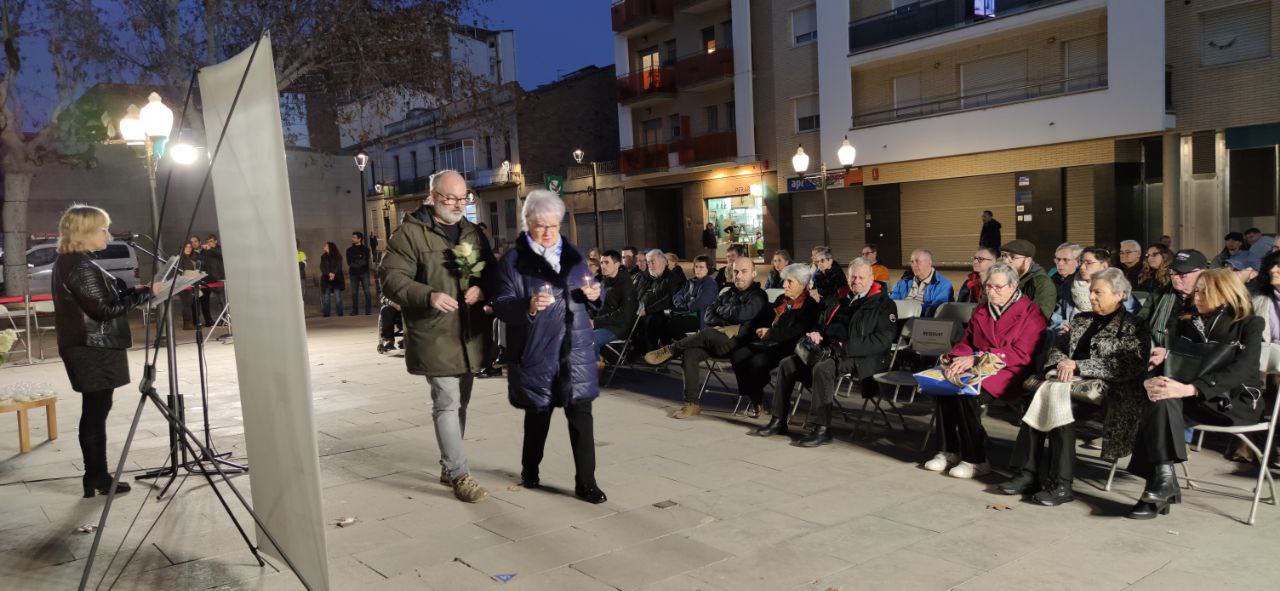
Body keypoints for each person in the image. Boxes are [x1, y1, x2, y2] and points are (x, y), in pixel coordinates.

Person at [381, 169, 498, 503]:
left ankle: (450, 465)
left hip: (469, 334)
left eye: (463, 198)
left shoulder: (472, 233)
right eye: (450, 198)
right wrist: (428, 295)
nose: (458, 204)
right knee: (446, 402)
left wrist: (481, 288)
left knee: (461, 401)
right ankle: (460, 473)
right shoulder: (409, 234)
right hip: (434, 332)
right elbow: (391, 279)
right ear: (432, 196)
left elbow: (492, 271)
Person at [492, 190, 607, 504]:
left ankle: (587, 483)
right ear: (528, 222)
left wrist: (596, 295)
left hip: (577, 351)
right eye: (540, 225)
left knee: (582, 417)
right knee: (538, 416)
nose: (547, 232)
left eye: (553, 226)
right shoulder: (513, 262)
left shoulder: (572, 255)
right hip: (537, 350)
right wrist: (528, 306)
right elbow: (501, 304)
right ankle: (530, 468)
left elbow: (592, 293)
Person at [999, 268, 1149, 505]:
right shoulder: (1082, 320)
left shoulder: (1134, 325)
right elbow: (1058, 349)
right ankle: (1028, 474)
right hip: (1068, 386)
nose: (1091, 297)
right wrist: (1058, 365)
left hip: (1111, 392)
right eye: (1091, 291)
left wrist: (1079, 366)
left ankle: (1060, 484)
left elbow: (1129, 366)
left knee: (1059, 407)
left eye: (1098, 292)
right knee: (1040, 400)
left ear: (1119, 294)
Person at [1127, 268, 1264, 519]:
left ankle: (1158, 488)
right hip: (1190, 398)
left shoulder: (1250, 323)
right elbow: (1182, 361)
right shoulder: (1184, 319)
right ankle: (1163, 480)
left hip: (1233, 401)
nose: (1196, 296)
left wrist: (1191, 388)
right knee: (1159, 397)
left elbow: (1241, 370)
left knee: (1163, 400)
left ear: (1224, 294)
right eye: (1196, 291)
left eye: (1203, 292)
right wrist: (1165, 357)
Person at [52, 205, 155, 498]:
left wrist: (133, 292)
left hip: (89, 346)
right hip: (91, 348)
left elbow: (99, 300)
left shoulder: (74, 261)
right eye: (103, 228)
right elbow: (103, 310)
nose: (107, 233)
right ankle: (97, 476)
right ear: (86, 232)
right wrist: (144, 295)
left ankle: (96, 475)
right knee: (95, 413)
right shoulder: (80, 265)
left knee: (96, 411)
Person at [756, 258, 896, 446]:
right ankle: (778, 420)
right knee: (788, 364)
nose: (856, 281)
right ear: (847, 277)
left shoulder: (884, 304)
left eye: (861, 277)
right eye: (853, 277)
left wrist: (846, 347)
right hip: (827, 348)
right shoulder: (839, 297)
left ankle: (821, 429)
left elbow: (882, 340)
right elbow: (820, 321)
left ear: (871, 278)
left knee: (823, 368)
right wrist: (815, 332)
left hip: (860, 356)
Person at [927, 263, 1046, 478]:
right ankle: (948, 450)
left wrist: (976, 358)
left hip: (1011, 370)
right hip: (977, 365)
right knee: (945, 386)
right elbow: (967, 341)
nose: (991, 291)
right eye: (988, 287)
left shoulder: (1031, 312)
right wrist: (954, 357)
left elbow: (1022, 353)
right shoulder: (982, 309)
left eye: (998, 287)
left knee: (965, 393)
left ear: (1013, 286)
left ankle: (975, 459)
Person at [642, 256, 770, 418]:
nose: (738, 275)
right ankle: (691, 404)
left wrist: (723, 311)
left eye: (744, 271)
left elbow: (743, 314)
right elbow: (709, 315)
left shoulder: (758, 295)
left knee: (707, 333)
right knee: (690, 354)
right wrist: (729, 315)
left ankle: (672, 349)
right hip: (719, 341)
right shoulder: (729, 293)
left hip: (742, 344)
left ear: (753, 273)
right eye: (736, 271)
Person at [1049, 247, 1141, 333]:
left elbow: (1132, 318)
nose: (1082, 267)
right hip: (1071, 337)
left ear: (1104, 266)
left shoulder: (1117, 287)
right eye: (1081, 262)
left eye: (1088, 263)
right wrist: (1061, 327)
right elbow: (1057, 318)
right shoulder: (1069, 285)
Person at [1136, 249, 1207, 348]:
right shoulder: (1159, 294)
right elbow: (1139, 323)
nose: (1175, 277)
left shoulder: (1213, 299)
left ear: (1202, 272)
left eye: (1182, 274)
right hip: (1160, 353)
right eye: (1173, 271)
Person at [634, 249, 686, 352]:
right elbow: (635, 294)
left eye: (653, 261)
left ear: (663, 262)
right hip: (639, 310)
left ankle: (650, 350)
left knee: (651, 320)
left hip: (660, 313)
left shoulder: (672, 278)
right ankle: (634, 348)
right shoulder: (644, 277)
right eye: (648, 262)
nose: (650, 265)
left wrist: (647, 310)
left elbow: (668, 300)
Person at [657, 255, 718, 343]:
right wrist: (684, 304)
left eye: (701, 267)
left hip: (701, 317)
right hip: (685, 312)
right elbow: (677, 297)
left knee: (673, 324)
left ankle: (688, 345)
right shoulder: (691, 282)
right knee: (661, 319)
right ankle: (665, 348)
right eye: (696, 267)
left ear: (708, 268)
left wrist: (685, 304)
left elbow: (699, 304)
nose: (698, 269)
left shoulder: (710, 283)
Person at [591, 250, 636, 361]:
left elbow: (624, 314)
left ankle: (593, 373)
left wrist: (595, 322)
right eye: (601, 263)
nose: (603, 266)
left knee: (588, 341)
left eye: (606, 262)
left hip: (618, 327)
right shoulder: (605, 281)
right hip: (603, 323)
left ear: (617, 265)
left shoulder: (626, 285)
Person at [1001, 239, 1056, 320]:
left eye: (1012, 257)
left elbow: (1038, 319)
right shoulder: (1002, 278)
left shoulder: (1042, 283)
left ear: (1027, 260)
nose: (1005, 261)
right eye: (1004, 255)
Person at [890, 249, 953, 317]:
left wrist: (912, 309)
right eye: (912, 262)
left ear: (929, 263)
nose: (914, 265)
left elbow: (936, 308)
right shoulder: (904, 282)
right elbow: (892, 302)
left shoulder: (943, 285)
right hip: (898, 317)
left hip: (922, 320)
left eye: (917, 261)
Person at [347, 232, 373, 315]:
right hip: (353, 273)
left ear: (359, 239)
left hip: (364, 272)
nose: (353, 239)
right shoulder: (349, 250)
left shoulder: (365, 249)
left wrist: (357, 261)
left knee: (367, 292)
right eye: (352, 237)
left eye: (354, 237)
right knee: (354, 292)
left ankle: (368, 310)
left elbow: (365, 261)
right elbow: (350, 262)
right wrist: (359, 260)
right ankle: (355, 311)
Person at [201, 234, 226, 316]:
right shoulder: (206, 251)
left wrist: (210, 249)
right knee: (209, 300)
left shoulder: (219, 249)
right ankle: (214, 319)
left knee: (222, 300)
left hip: (219, 278)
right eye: (207, 242)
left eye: (211, 241)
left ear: (216, 241)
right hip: (209, 279)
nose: (209, 243)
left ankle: (226, 319)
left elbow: (221, 255)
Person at [319, 242, 346, 317]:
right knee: (326, 297)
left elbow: (339, 266)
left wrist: (333, 273)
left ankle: (340, 312)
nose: (324, 246)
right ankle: (326, 313)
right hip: (326, 279)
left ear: (330, 247)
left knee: (338, 297)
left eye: (325, 245)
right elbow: (322, 267)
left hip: (336, 279)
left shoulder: (338, 256)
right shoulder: (323, 257)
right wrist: (329, 274)